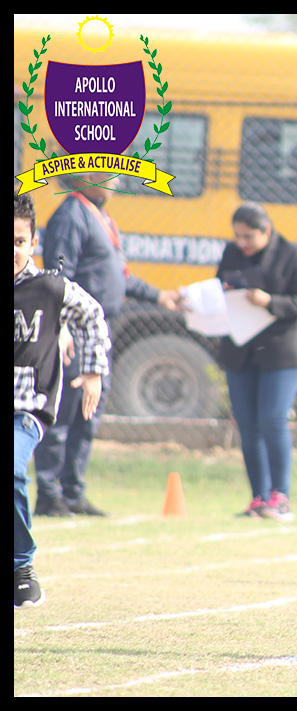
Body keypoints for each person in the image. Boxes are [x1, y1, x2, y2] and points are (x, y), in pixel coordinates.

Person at [34, 173, 182, 517]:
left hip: (101, 329)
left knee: (89, 412)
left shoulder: (100, 214)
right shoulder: (71, 216)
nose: (117, 181)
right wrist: (61, 325)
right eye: (111, 174)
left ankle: (73, 490)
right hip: (77, 327)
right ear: (88, 175)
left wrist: (159, 295)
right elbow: (59, 277)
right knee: (65, 410)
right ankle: (49, 492)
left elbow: (118, 273)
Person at [15, 192, 110, 608]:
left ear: (33, 243)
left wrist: (91, 372)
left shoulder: (50, 288)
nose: (13, 250)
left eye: (19, 241)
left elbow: (91, 315)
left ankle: (21, 567)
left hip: (25, 411)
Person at [217, 202, 297, 522]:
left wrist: (269, 301)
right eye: (237, 236)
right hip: (242, 350)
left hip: (284, 352)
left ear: (266, 231)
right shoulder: (232, 252)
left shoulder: (291, 254)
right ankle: (259, 498)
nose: (242, 243)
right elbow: (220, 285)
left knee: (272, 419)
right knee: (247, 423)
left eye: (248, 236)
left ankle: (281, 497)